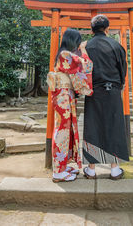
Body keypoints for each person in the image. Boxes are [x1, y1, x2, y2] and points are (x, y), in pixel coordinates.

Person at [82, 15, 128, 180]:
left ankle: (91, 169)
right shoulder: (117, 45)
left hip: (94, 91)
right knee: (114, 126)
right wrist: (119, 85)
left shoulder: (86, 47)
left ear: (91, 30)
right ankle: (115, 169)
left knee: (92, 127)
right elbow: (123, 70)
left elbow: (83, 70)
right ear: (107, 29)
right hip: (113, 91)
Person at [47, 29, 93, 183]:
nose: (79, 44)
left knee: (67, 131)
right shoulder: (65, 55)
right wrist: (84, 49)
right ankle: (58, 172)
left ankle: (62, 165)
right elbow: (86, 66)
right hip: (63, 95)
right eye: (78, 41)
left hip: (64, 95)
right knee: (62, 131)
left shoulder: (63, 54)